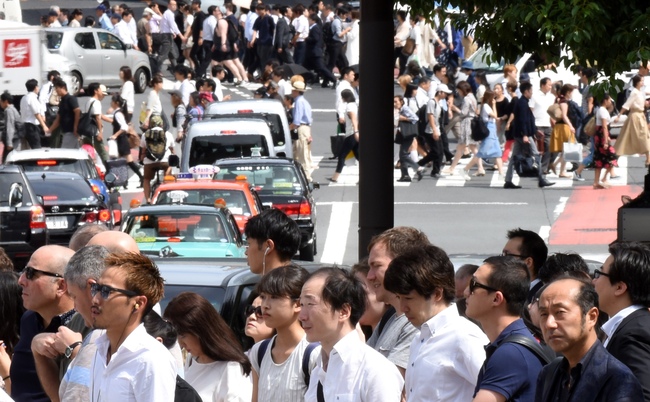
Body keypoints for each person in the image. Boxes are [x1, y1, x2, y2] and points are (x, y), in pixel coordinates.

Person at [384, 245, 488, 401]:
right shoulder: (419, 339)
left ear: (437, 294)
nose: (402, 307)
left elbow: (497, 392)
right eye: (399, 298)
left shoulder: (464, 337)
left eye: (409, 298)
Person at [300, 267, 404, 401]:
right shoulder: (318, 371)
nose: (302, 316)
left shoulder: (375, 370)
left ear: (343, 311)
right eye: (301, 304)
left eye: (310, 304)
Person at [535, 277, 644, 401]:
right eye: (543, 314)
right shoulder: (548, 374)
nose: (549, 323)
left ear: (591, 317)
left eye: (560, 312)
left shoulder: (618, 380)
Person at [89, 251, 176, 401]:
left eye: (106, 291)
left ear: (138, 303)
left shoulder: (151, 359)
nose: (95, 299)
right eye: (95, 288)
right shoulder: (100, 349)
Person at [465, 256, 546, 402]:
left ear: (496, 299)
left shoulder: (511, 354)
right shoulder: (509, 345)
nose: (466, 292)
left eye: (473, 285)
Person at [9, 246, 75, 402]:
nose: (21, 280)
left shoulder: (81, 329)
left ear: (61, 286)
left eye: (31, 274)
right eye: (23, 271)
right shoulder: (29, 320)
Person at [164, 292, 252, 402]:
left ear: (201, 330)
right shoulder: (191, 360)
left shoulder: (230, 369)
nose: (180, 343)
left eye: (183, 335)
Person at [249, 265, 319, 402]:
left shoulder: (314, 354)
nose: (265, 305)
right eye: (263, 297)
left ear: (298, 304)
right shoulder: (259, 351)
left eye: (275, 297)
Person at [366, 227, 427, 379]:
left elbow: (386, 383)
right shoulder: (390, 317)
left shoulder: (417, 324)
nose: (369, 276)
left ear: (402, 265)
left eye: (377, 266)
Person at [593, 242, 650, 400]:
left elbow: (642, 396)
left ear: (619, 287)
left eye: (600, 274)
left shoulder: (634, 333)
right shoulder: (627, 325)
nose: (594, 281)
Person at [503, 81, 555, 188]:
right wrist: (525, 134)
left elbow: (528, 119)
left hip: (520, 134)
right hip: (523, 134)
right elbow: (523, 121)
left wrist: (535, 130)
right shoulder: (522, 103)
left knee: (514, 157)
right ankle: (541, 179)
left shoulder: (523, 102)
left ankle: (508, 180)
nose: (532, 93)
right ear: (526, 91)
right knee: (536, 155)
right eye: (530, 91)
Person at [243, 208, 301, 275]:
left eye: (249, 244)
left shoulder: (276, 285)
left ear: (268, 246)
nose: (246, 252)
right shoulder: (303, 281)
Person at [462, 89, 505, 177]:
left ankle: (501, 174)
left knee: (498, 153)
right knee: (481, 153)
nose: (494, 98)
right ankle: (465, 169)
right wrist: (494, 105)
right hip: (489, 130)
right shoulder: (486, 106)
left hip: (492, 130)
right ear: (490, 97)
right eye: (493, 97)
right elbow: (495, 116)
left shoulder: (486, 106)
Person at [444, 81, 482, 178]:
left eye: (459, 90)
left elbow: (463, 113)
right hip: (472, 122)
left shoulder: (466, 99)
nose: (459, 93)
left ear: (462, 90)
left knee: (461, 147)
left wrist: (455, 108)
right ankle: (480, 168)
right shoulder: (472, 97)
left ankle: (452, 168)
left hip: (467, 123)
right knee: (473, 147)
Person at [502, 228, 548, 303]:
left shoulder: (541, 297)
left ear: (528, 262)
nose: (502, 260)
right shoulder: (509, 291)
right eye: (503, 254)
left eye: (508, 255)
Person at [107, 94, 144, 187]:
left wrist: (115, 135)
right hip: (121, 140)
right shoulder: (117, 113)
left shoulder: (118, 114)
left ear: (116, 103)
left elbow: (124, 127)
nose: (110, 103)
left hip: (121, 140)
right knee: (124, 162)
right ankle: (126, 181)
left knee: (122, 161)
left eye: (112, 101)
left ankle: (119, 181)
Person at [614, 74, 650, 166]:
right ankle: (615, 158)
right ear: (637, 82)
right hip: (635, 117)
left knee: (645, 136)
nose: (643, 82)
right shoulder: (634, 92)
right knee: (628, 138)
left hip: (640, 116)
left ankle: (648, 159)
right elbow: (627, 104)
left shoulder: (639, 92)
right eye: (641, 81)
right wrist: (619, 115)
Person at [139, 115, 175, 204]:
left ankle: (148, 199)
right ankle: (167, 190)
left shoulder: (145, 134)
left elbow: (143, 150)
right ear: (162, 124)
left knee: (146, 179)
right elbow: (172, 150)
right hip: (165, 161)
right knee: (168, 171)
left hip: (149, 162)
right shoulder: (168, 134)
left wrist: (141, 158)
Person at [327, 89, 358, 183]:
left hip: (351, 134)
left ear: (345, 97)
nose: (341, 98)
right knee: (359, 156)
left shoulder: (349, 106)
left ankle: (335, 177)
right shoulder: (354, 105)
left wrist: (356, 131)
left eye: (342, 96)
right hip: (353, 133)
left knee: (342, 155)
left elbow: (354, 119)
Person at [548, 84, 577, 177]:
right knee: (567, 149)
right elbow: (564, 116)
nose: (572, 94)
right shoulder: (564, 102)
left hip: (560, 126)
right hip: (564, 127)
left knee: (566, 150)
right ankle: (561, 171)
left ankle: (557, 166)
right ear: (568, 92)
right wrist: (571, 126)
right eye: (571, 92)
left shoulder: (559, 99)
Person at [395, 94, 425, 182]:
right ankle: (405, 176)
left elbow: (415, 118)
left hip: (408, 134)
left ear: (401, 102)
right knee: (402, 155)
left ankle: (418, 168)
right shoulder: (398, 110)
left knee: (403, 154)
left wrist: (403, 118)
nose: (394, 103)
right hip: (402, 134)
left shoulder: (405, 109)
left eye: (396, 101)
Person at [591, 94, 619, 189]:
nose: (611, 102)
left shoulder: (601, 110)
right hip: (602, 136)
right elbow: (604, 126)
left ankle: (597, 181)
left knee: (600, 158)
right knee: (613, 156)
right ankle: (602, 179)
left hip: (601, 135)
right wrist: (606, 140)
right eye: (610, 100)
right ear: (605, 100)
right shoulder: (602, 111)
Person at [289, 80, 314, 182]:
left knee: (301, 153)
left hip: (301, 128)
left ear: (296, 91)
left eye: (293, 90)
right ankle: (303, 175)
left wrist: (288, 128)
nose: (292, 92)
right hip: (306, 128)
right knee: (303, 152)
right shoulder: (304, 101)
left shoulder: (299, 102)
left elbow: (297, 121)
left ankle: (307, 177)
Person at [529, 78, 555, 174]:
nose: (550, 87)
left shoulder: (551, 97)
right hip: (537, 124)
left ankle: (544, 167)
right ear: (543, 85)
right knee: (537, 148)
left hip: (548, 124)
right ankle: (536, 165)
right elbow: (530, 110)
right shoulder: (534, 96)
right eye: (549, 85)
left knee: (549, 146)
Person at [304, 13, 337, 88]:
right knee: (306, 67)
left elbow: (315, 39)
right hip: (312, 52)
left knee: (321, 67)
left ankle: (333, 79)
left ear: (313, 20)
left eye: (309, 19)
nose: (308, 21)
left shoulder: (315, 28)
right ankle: (308, 79)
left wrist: (306, 38)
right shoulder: (314, 27)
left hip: (315, 52)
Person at [46, 79, 79, 149]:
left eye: (57, 88)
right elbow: (58, 119)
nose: (56, 91)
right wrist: (50, 130)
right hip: (66, 131)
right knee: (75, 153)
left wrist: (76, 127)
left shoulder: (71, 99)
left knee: (65, 153)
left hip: (71, 132)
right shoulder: (62, 101)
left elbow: (77, 111)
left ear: (63, 88)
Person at [83, 83, 110, 165]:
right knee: (103, 153)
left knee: (86, 153)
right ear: (96, 91)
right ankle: (109, 170)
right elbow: (98, 117)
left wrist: (112, 120)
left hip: (86, 131)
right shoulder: (96, 102)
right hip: (94, 132)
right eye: (100, 89)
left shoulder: (89, 101)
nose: (101, 92)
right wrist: (100, 132)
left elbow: (100, 115)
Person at [20, 79, 49, 150]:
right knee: (36, 148)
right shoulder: (32, 98)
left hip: (24, 126)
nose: (38, 88)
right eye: (38, 86)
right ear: (35, 87)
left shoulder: (24, 98)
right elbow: (37, 113)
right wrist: (44, 126)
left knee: (27, 149)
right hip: (32, 127)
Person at [158, 0, 184, 73]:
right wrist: (181, 35)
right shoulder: (169, 13)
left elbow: (167, 25)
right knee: (163, 55)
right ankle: (154, 69)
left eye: (175, 5)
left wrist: (173, 32)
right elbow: (173, 25)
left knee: (172, 55)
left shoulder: (169, 13)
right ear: (168, 5)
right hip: (166, 36)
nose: (174, 6)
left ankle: (176, 72)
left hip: (168, 34)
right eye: (173, 5)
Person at [1, 91, 23, 159]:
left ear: (6, 101)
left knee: (8, 159)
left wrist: (9, 142)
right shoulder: (12, 109)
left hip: (13, 140)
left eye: (1, 101)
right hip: (16, 138)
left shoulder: (9, 110)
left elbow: (10, 127)